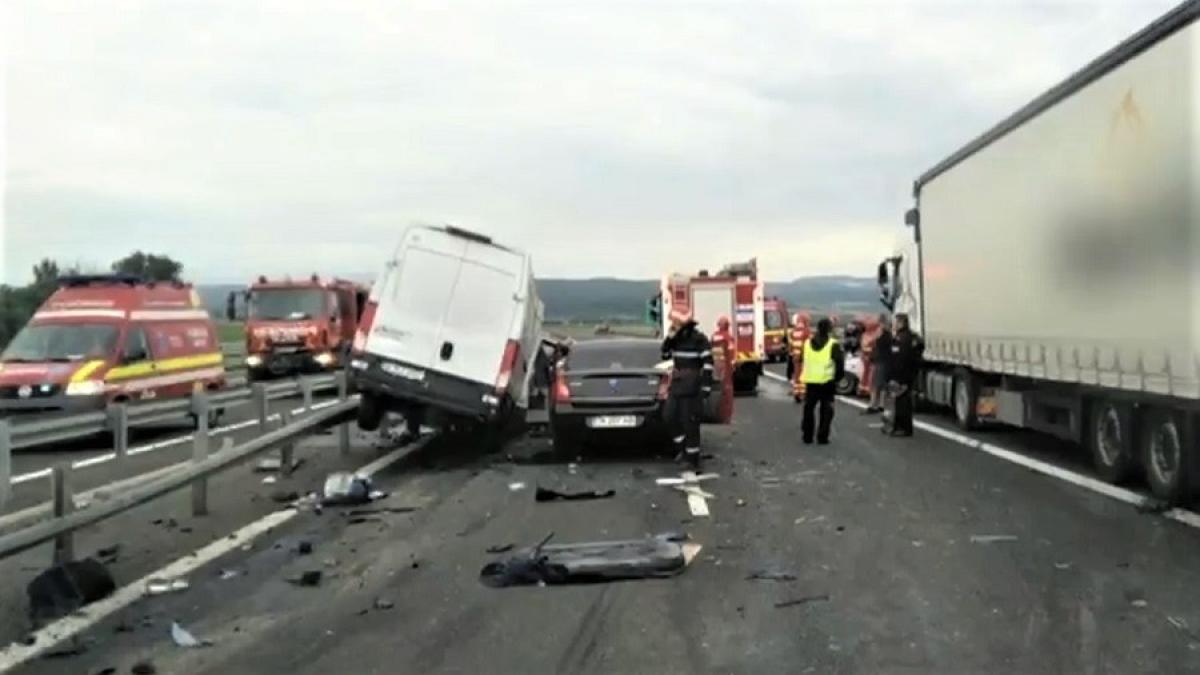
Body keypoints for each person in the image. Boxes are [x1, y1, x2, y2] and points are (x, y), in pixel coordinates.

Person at [661, 311, 714, 469]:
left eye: (676, 324)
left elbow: (708, 363)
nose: (674, 326)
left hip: (693, 387)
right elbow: (664, 354)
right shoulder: (675, 340)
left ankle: (692, 458)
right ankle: (683, 448)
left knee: (690, 422)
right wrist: (669, 338)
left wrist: (705, 387)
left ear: (685, 326)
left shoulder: (699, 339)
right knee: (668, 416)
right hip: (677, 385)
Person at [800, 317, 844, 445]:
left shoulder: (807, 344)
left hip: (811, 381)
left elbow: (803, 359)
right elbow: (839, 363)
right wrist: (837, 378)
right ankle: (822, 436)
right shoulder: (833, 344)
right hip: (827, 382)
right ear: (829, 329)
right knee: (826, 411)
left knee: (808, 410)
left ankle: (807, 436)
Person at [886, 313, 924, 437]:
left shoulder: (901, 339)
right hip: (910, 373)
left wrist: (895, 378)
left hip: (902, 375)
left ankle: (902, 428)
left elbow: (898, 359)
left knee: (901, 402)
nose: (894, 325)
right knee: (903, 401)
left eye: (895, 322)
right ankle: (901, 427)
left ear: (901, 323)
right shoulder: (913, 337)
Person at [865, 314, 893, 414]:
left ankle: (872, 405)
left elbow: (873, 344)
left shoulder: (881, 334)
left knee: (875, 385)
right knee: (883, 385)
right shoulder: (889, 335)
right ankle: (881, 405)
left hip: (880, 361)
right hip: (886, 362)